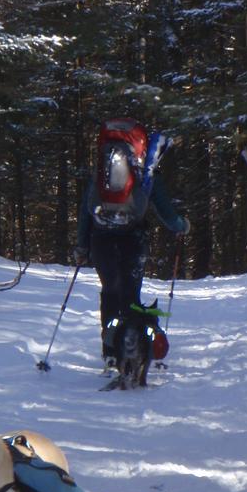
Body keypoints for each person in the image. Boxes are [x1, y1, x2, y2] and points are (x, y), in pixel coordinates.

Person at [74, 118, 189, 364]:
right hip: (133, 238)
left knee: (110, 291)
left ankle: (110, 351)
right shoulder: (145, 174)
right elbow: (166, 212)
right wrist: (181, 226)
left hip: (101, 238)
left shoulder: (100, 173)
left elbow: (86, 210)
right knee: (130, 293)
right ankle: (133, 347)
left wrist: (81, 246)